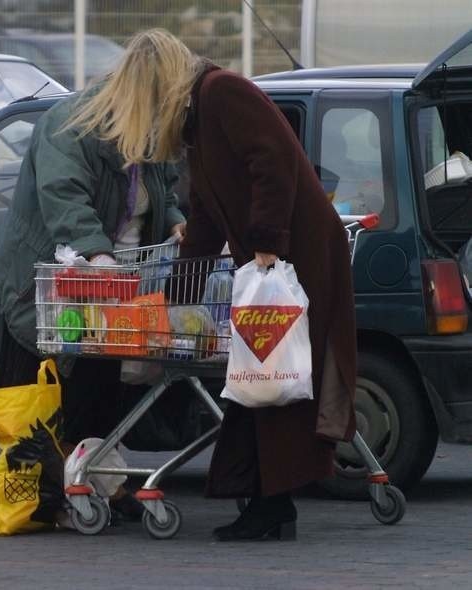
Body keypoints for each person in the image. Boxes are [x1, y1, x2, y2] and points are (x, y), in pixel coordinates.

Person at [104, 29, 356, 541]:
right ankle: (269, 505)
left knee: (272, 378)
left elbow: (273, 162)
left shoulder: (222, 92)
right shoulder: (200, 118)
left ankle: (269, 507)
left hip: (293, 256)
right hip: (277, 258)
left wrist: (267, 240)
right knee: (264, 380)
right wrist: (175, 299)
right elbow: (205, 214)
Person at [0, 30, 188, 523]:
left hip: (110, 290)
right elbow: (65, 199)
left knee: (95, 392)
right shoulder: (70, 125)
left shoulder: (145, 139)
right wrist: (98, 256)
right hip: (47, 284)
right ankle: (34, 499)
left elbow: (157, 196)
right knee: (36, 396)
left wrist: (176, 220)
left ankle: (92, 482)